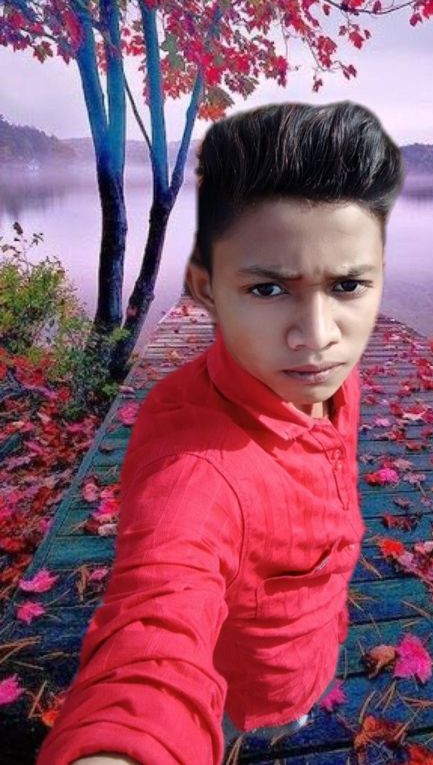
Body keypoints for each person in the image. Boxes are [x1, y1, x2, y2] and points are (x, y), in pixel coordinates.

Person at [35, 100, 404, 765]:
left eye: (348, 285)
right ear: (206, 288)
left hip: (306, 655)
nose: (318, 336)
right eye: (268, 290)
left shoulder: (328, 383)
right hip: (242, 702)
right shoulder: (197, 469)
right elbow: (154, 631)